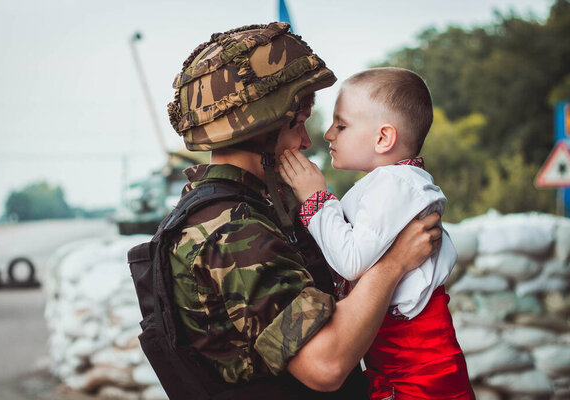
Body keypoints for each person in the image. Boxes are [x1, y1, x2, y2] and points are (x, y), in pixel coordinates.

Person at [164, 23, 442, 399]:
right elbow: (325, 365)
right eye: (296, 124)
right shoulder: (232, 229)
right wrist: (394, 263)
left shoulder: (253, 206)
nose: (308, 141)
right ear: (259, 130)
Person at [279, 67, 474, 399]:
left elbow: (352, 261)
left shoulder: (395, 184)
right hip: (407, 359)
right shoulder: (392, 184)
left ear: (384, 138)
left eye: (341, 125)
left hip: (418, 364)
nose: (328, 134)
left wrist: (316, 199)